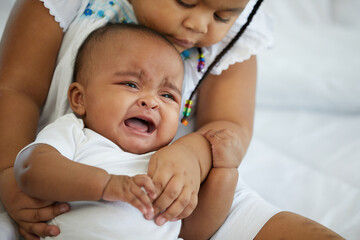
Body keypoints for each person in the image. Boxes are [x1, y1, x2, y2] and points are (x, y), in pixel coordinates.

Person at [0, 0, 344, 239]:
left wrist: (195, 153)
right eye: (185, 1)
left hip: (179, 185)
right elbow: (17, 90)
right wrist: (6, 177)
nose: (200, 24)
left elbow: (231, 127)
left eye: (223, 15)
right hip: (52, 186)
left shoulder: (233, 37)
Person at [14, 23, 239, 240]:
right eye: (131, 84)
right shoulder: (75, 133)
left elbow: (191, 231)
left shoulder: (168, 165)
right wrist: (106, 185)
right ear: (79, 99)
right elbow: (29, 168)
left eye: (167, 95)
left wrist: (226, 173)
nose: (151, 102)